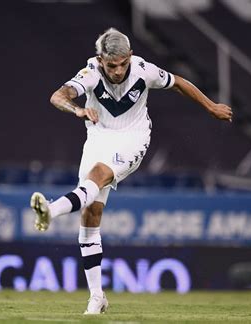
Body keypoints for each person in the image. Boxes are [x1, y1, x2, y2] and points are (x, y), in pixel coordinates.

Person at [30, 28, 233, 315]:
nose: (118, 70)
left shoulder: (144, 70)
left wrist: (211, 106)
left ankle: (51, 211)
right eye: (112, 65)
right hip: (98, 137)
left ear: (130, 57)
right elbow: (58, 95)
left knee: (98, 176)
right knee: (91, 215)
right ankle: (97, 297)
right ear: (101, 60)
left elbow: (178, 82)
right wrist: (77, 110)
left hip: (133, 138)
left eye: (123, 63)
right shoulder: (90, 72)